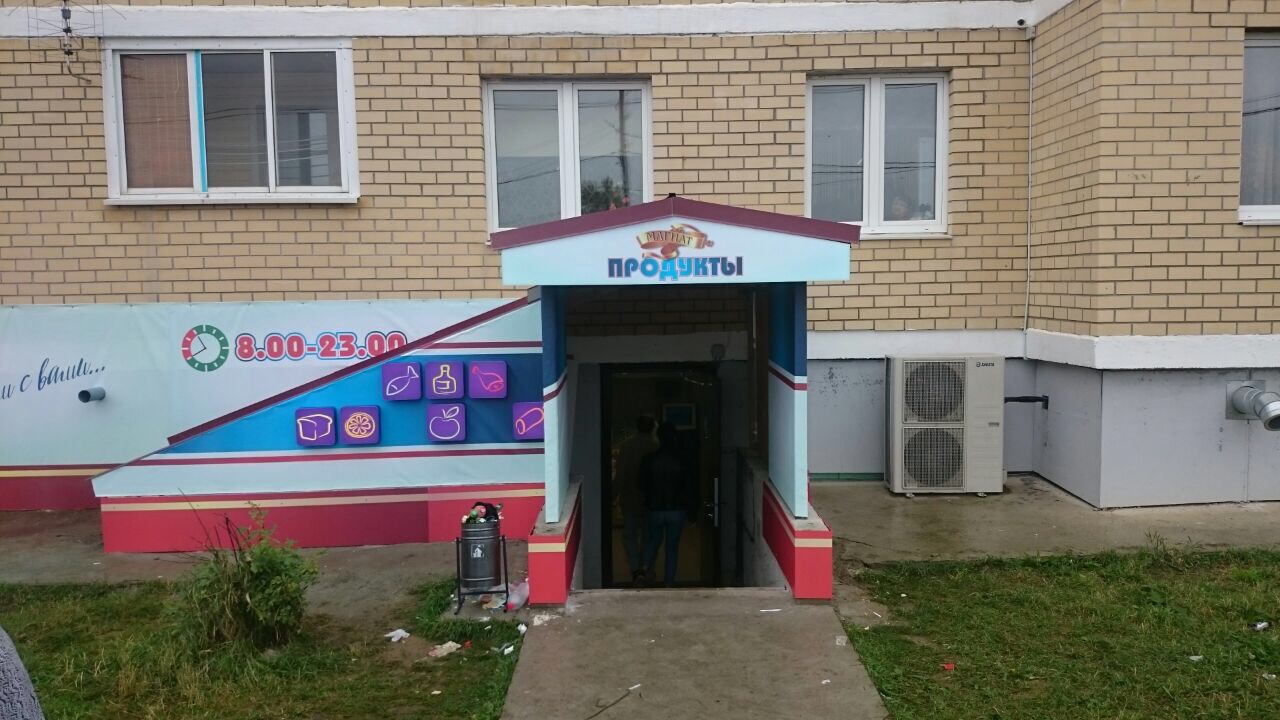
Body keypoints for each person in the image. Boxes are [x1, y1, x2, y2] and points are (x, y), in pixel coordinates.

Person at [640, 422, 698, 588]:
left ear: (658, 437)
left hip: (654, 508)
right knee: (672, 547)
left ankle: (642, 570)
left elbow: (641, 484)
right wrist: (692, 510)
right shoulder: (683, 459)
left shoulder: (649, 459)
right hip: (676, 509)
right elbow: (689, 486)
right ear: (674, 437)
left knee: (653, 540)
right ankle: (668, 584)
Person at [614, 416, 657, 585]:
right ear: (652, 427)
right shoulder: (656, 445)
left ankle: (636, 569)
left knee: (630, 535)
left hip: (630, 497)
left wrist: (614, 494)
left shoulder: (627, 446)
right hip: (652, 499)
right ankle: (647, 569)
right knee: (649, 536)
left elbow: (621, 474)